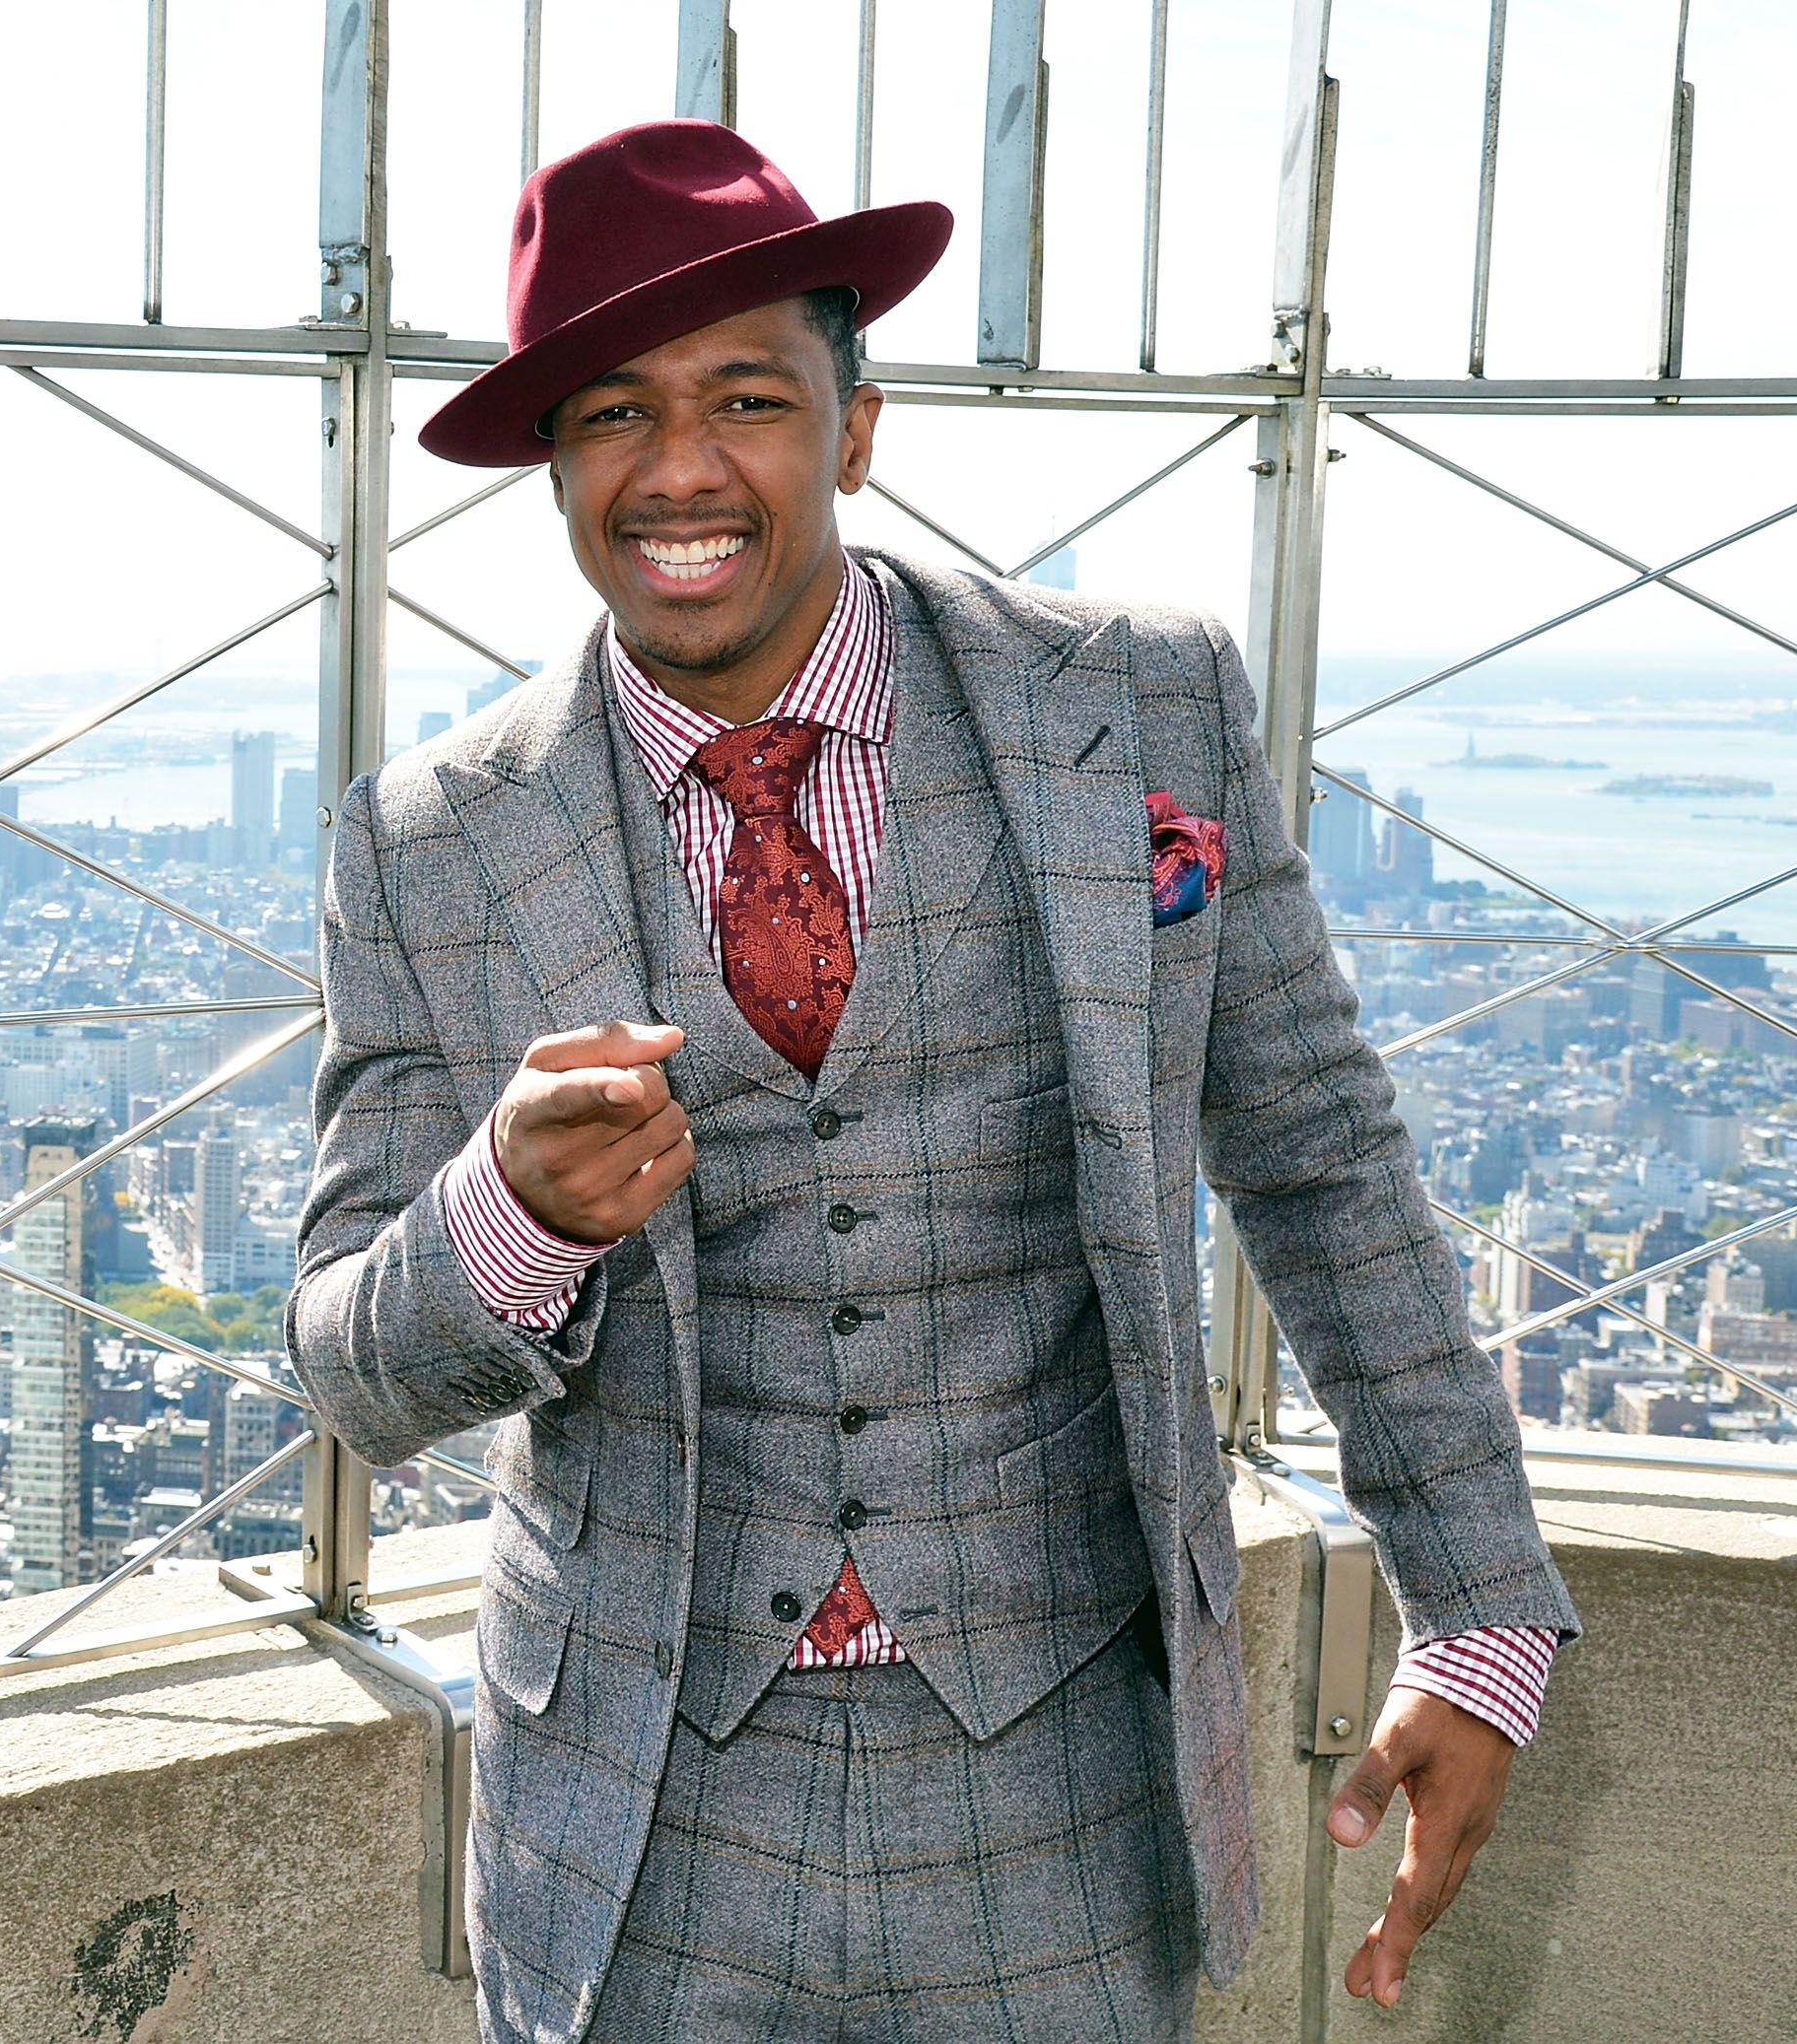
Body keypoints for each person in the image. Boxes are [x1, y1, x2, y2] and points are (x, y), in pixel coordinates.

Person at [288, 119, 1577, 2043]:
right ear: (556, 465)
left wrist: (1477, 1612)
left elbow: (1315, 1151)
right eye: (617, 412)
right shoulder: (431, 841)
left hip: (1058, 1777)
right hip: (645, 1812)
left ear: (858, 424)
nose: (684, 467)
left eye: (751, 396)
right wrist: (510, 1215)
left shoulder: (1140, 714)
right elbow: (349, 1366)